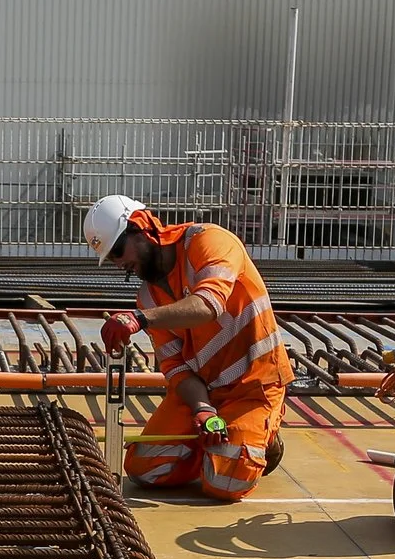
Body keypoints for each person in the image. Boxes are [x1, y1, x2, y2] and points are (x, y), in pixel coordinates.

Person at [86, 195, 291, 500]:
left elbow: (208, 304)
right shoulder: (149, 297)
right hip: (207, 391)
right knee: (144, 468)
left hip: (254, 386)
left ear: (141, 227)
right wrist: (203, 409)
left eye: (117, 250)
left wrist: (140, 320)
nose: (120, 263)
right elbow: (176, 367)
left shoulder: (209, 242)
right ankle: (220, 445)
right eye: (112, 259)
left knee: (226, 484)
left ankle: (265, 442)